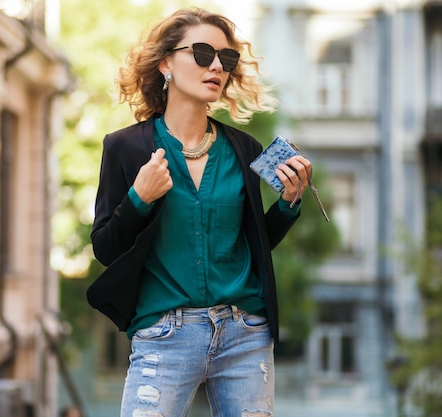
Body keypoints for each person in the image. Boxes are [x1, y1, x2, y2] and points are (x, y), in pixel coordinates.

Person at [87, 7, 314, 417]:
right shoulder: (125, 147)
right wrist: (139, 197)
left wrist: (288, 203)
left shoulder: (244, 149)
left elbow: (253, 242)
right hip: (164, 334)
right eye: (203, 53)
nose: (216, 67)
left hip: (245, 334)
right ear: (166, 63)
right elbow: (105, 249)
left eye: (226, 60)